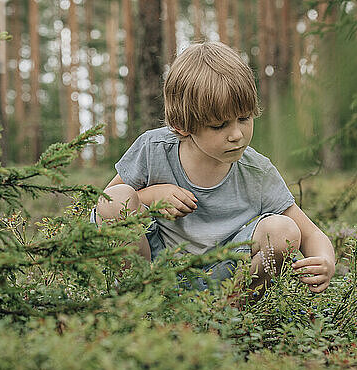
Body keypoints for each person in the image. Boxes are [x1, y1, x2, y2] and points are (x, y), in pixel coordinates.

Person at [91, 41, 335, 299]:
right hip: (158, 269)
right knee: (117, 199)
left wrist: (324, 260)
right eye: (219, 125)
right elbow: (106, 204)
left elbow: (310, 233)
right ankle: (139, 302)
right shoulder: (154, 149)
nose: (237, 135)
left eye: (244, 118)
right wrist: (151, 197)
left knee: (285, 231)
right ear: (182, 125)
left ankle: (228, 314)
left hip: (229, 278)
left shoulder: (256, 171)